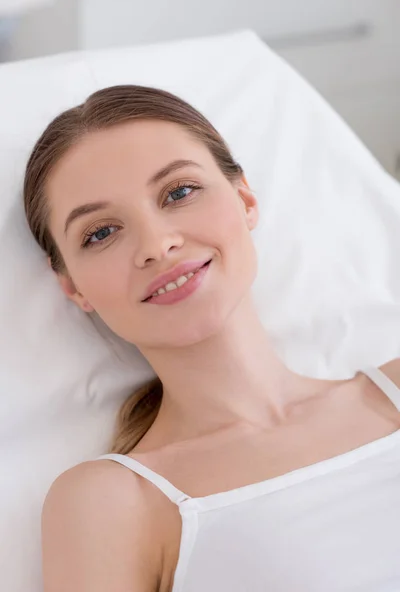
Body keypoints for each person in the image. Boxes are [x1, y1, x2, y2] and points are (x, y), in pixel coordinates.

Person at [24, 85, 400, 592]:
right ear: (72, 286)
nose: (157, 245)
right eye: (101, 232)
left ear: (245, 198)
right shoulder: (111, 501)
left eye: (178, 192)